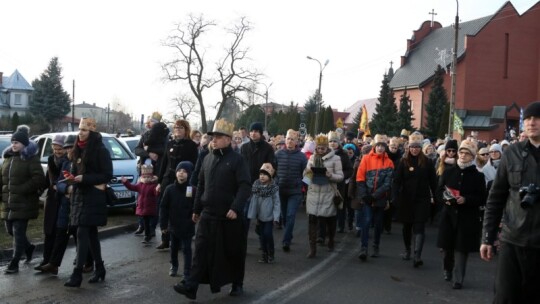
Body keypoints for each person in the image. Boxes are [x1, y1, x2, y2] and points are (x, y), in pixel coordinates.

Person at [174, 118, 251, 300]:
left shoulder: (237, 160)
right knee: (200, 251)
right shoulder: (207, 158)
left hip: (229, 216)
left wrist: (236, 207)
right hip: (208, 213)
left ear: (228, 139)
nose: (213, 140)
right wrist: (196, 208)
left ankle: (237, 283)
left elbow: (245, 186)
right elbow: (201, 184)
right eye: (212, 137)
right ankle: (191, 285)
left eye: (218, 137)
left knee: (232, 252)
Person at [480, 101, 540, 302]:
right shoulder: (511, 153)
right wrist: (488, 237)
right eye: (529, 118)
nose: (532, 123)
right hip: (512, 240)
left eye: (537, 118)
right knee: (505, 298)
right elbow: (496, 198)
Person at [64, 117, 113, 287]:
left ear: (91, 132)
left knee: (82, 232)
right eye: (80, 130)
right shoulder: (77, 149)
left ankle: (77, 274)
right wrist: (71, 178)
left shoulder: (100, 150)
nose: (81, 133)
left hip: (93, 196)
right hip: (79, 195)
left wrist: (85, 178)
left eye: (84, 130)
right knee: (91, 234)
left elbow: (107, 175)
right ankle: (99, 268)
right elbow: (75, 170)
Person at [437, 139, 486, 289]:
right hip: (449, 214)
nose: (463, 155)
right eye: (461, 152)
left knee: (462, 249)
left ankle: (459, 278)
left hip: (467, 217)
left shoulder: (478, 176)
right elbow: (439, 191)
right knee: (447, 247)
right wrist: (447, 198)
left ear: (472, 156)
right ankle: (447, 269)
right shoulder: (449, 171)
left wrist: (466, 199)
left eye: (467, 153)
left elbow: (482, 198)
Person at [1, 125, 45, 274]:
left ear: (24, 144)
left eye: (17, 142)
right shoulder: (7, 159)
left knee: (18, 232)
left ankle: (14, 262)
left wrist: (22, 189)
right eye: (13, 142)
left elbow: (39, 179)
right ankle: (29, 247)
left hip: (25, 202)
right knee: (10, 230)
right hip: (8, 202)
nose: (14, 144)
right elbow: (2, 178)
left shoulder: (31, 159)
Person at [392, 132, 437, 267]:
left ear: (421, 147)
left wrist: (436, 195)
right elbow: (396, 181)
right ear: (408, 147)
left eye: (417, 147)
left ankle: (417, 255)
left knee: (419, 226)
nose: (415, 149)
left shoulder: (427, 162)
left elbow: (433, 182)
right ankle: (407, 249)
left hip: (422, 199)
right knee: (407, 226)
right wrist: (394, 195)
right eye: (412, 146)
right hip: (406, 199)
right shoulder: (403, 161)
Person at [155, 119, 198, 250]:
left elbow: (194, 166)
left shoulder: (191, 145)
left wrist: (191, 181)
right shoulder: (169, 144)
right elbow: (164, 163)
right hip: (168, 179)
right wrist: (159, 181)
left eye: (180, 128)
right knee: (165, 208)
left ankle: (180, 239)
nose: (177, 130)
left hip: (184, 181)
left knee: (181, 210)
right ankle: (165, 239)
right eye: (176, 128)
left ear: (186, 130)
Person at [304, 133, 343, 258]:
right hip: (314, 192)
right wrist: (308, 172)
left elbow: (340, 177)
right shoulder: (312, 158)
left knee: (329, 220)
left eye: (323, 148)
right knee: (312, 221)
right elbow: (306, 177)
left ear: (327, 148)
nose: (320, 150)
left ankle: (331, 239)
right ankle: (312, 248)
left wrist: (330, 175)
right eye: (318, 148)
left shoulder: (336, 159)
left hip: (328, 193)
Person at [356, 134, 394, 260]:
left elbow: (388, 183)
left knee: (378, 224)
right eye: (378, 145)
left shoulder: (389, 162)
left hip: (380, 198)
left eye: (382, 146)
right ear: (374, 146)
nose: (380, 148)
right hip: (367, 197)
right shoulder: (366, 159)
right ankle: (364, 247)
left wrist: (374, 196)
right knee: (366, 222)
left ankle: (376, 245)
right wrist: (364, 195)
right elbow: (360, 177)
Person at [35, 134, 68, 271]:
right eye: (55, 149)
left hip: (63, 198)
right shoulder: (50, 159)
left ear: (65, 148)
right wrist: (38, 191)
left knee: (60, 231)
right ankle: (46, 260)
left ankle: (53, 263)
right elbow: (47, 179)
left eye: (60, 149)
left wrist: (57, 185)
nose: (57, 152)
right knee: (49, 231)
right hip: (51, 199)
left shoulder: (68, 161)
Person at [133, 112, 167, 236]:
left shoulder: (165, 134)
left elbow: (164, 150)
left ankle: (152, 228)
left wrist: (150, 149)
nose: (149, 123)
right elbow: (137, 149)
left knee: (154, 202)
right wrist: (147, 153)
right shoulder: (145, 135)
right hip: (144, 172)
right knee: (141, 200)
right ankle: (141, 225)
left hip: (156, 172)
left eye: (152, 121)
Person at [160, 161, 196, 278]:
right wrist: (163, 225)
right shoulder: (170, 189)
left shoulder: (192, 190)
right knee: (174, 248)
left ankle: (187, 271)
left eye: (184, 172)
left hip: (187, 225)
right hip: (174, 225)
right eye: (179, 171)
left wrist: (196, 215)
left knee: (187, 249)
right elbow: (163, 207)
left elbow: (196, 206)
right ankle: (174, 266)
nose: (181, 173)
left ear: (189, 174)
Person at [240, 122, 275, 236]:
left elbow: (271, 166)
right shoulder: (244, 147)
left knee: (262, 215)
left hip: (261, 185)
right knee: (245, 213)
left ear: (260, 133)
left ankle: (263, 243)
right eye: (252, 131)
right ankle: (242, 240)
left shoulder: (267, 148)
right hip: (247, 184)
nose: (253, 133)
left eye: (256, 131)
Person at [275, 129, 307, 252]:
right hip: (281, 190)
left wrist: (301, 184)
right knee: (284, 216)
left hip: (295, 191)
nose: (290, 141)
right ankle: (288, 232)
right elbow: (273, 170)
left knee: (291, 215)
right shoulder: (278, 154)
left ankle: (286, 240)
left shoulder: (302, 156)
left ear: (296, 141)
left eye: (292, 139)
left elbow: (306, 173)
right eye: (288, 139)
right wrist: (276, 181)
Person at [247, 163, 280, 263]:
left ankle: (271, 253)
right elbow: (253, 201)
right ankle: (264, 254)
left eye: (265, 174)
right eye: (261, 174)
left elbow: (277, 203)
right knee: (262, 235)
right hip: (259, 216)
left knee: (267, 234)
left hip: (269, 217)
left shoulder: (273, 188)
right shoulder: (256, 186)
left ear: (270, 176)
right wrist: (252, 214)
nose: (262, 176)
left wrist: (276, 217)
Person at [122, 164, 159, 244]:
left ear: (151, 177)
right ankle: (147, 235)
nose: (146, 179)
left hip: (150, 207)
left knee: (150, 222)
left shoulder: (153, 186)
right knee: (145, 222)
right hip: (143, 208)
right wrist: (126, 182)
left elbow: (156, 193)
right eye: (144, 177)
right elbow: (132, 187)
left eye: (148, 177)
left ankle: (150, 233)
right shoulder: (140, 185)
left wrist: (157, 190)